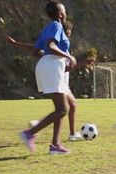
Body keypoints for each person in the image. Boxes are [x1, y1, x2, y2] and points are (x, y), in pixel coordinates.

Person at [7, 20, 93, 142]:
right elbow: (65, 68)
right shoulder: (55, 49)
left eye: (70, 33)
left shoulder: (63, 49)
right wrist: (82, 63)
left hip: (62, 82)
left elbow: (35, 48)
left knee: (68, 107)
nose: (69, 35)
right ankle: (38, 132)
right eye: (67, 32)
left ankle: (60, 137)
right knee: (63, 109)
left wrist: (16, 44)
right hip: (58, 80)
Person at [19, 0, 77, 154]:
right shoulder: (57, 26)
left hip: (48, 65)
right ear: (60, 14)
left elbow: (36, 51)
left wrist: (58, 61)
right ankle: (30, 133)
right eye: (64, 11)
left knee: (60, 108)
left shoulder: (47, 28)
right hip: (51, 66)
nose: (66, 14)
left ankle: (55, 145)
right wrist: (69, 57)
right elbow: (51, 46)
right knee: (63, 109)